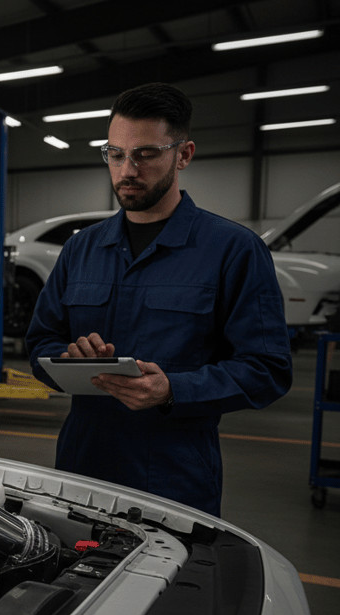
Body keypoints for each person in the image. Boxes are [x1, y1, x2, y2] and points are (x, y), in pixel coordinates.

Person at [26, 82, 292, 516]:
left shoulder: (233, 250)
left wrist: (173, 390)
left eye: (145, 154)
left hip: (176, 479)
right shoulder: (82, 249)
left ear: (183, 154)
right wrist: (69, 358)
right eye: (115, 154)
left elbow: (268, 368)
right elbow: (40, 344)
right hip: (82, 469)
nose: (127, 169)